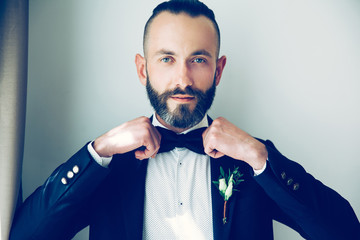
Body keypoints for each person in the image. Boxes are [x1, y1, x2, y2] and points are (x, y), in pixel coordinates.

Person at [10, 0, 360, 239]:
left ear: (218, 69)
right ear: (142, 69)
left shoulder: (251, 163)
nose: (183, 80)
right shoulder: (107, 166)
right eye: (166, 59)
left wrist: (259, 157)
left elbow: (345, 231)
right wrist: (97, 152)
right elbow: (26, 235)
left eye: (198, 60)